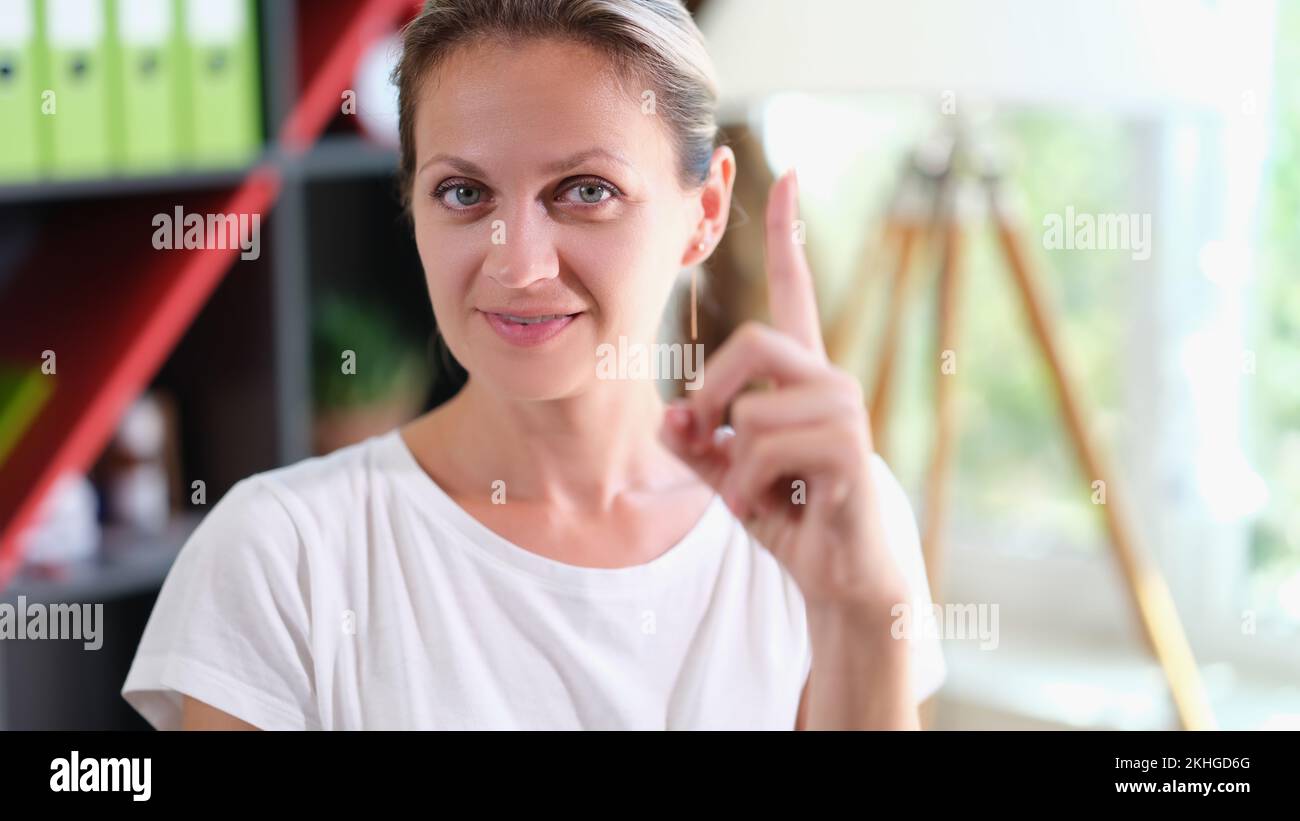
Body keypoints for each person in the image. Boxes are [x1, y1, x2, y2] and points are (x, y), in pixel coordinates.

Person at [121, 0, 946, 730]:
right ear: (412, 206)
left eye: (585, 190)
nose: (518, 265)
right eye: (463, 193)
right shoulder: (285, 552)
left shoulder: (830, 516)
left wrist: (862, 615)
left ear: (706, 210)